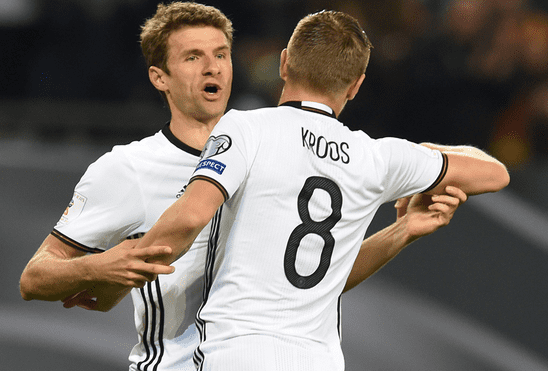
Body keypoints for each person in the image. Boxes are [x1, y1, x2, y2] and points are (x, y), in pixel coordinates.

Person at [19, 3, 467, 370]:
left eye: (220, 54)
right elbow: (35, 277)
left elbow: (315, 281)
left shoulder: (275, 147)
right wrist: (101, 268)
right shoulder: (128, 168)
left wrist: (400, 231)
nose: (212, 67)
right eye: (192, 57)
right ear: (160, 77)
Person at [134, 10, 509, 371]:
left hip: (238, 350)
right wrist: (424, 158)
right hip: (317, 360)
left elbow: (192, 215)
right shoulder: (377, 158)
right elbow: (495, 174)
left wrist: (111, 273)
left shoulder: (247, 128)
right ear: (357, 85)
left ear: (284, 63)